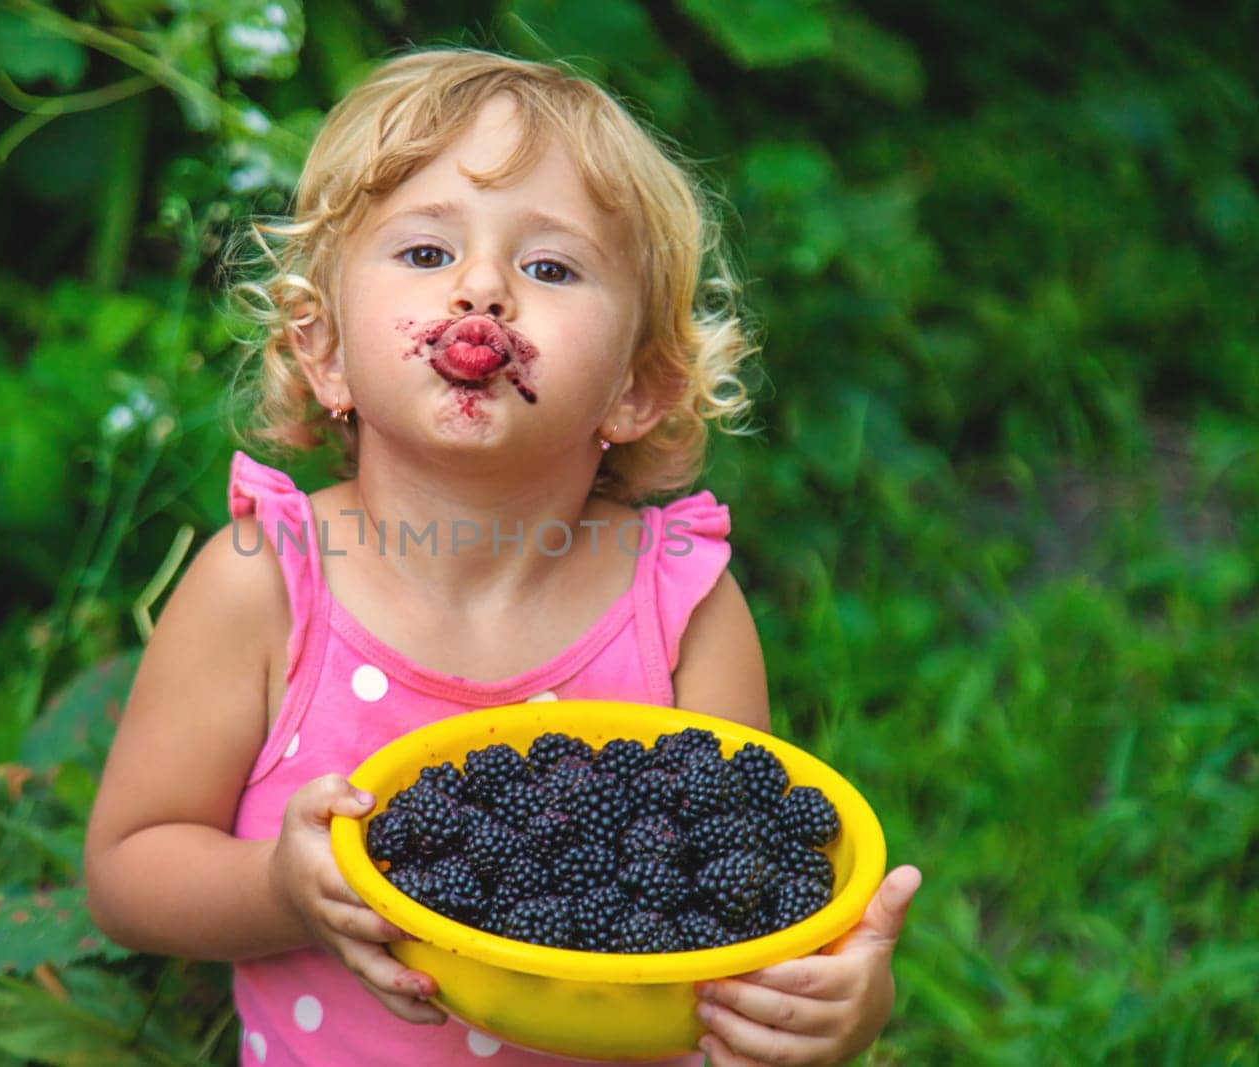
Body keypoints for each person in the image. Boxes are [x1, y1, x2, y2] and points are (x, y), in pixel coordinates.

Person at [83, 46, 921, 1067]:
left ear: (638, 386)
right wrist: (280, 889)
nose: (482, 289)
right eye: (427, 254)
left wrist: (833, 1005)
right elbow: (128, 872)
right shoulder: (263, 581)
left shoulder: (682, 606)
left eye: (551, 267)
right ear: (325, 347)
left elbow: (733, 888)